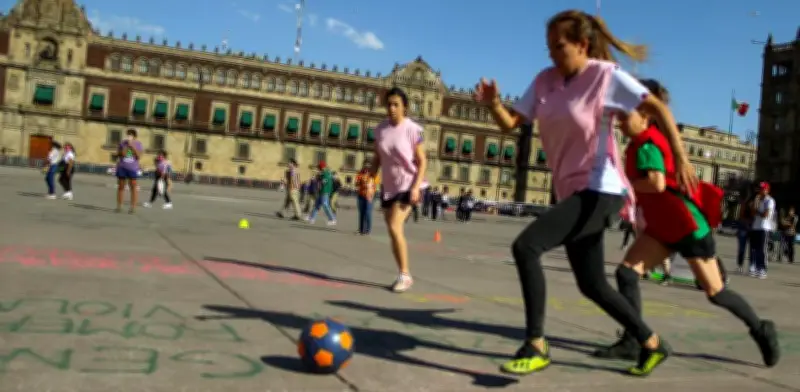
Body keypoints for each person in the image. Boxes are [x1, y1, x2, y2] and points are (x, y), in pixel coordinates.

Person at [473, 10, 698, 377]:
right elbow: (511, 124)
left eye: (559, 47)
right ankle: (651, 342)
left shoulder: (604, 76)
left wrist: (682, 157)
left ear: (583, 44)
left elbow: (656, 106)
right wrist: (494, 103)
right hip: (572, 192)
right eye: (548, 48)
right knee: (592, 284)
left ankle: (536, 343)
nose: (552, 55)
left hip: (601, 189)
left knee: (526, 246)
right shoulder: (545, 81)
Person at [592, 79, 780, 368]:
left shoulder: (648, 144)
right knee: (627, 274)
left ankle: (761, 328)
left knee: (716, 293)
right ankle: (634, 340)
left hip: (687, 227)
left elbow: (654, 184)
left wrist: (622, 183)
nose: (619, 120)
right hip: (662, 228)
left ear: (647, 113)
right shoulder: (639, 144)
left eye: (625, 113)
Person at [368, 87, 428, 293]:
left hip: (408, 183)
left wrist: (416, 187)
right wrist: (370, 180)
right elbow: (376, 158)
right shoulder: (380, 129)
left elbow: (422, 161)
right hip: (389, 185)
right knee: (393, 231)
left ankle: (405, 274)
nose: (392, 108)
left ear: (405, 108)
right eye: (389, 104)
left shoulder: (412, 129)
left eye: (396, 105)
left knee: (394, 226)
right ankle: (402, 272)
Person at [750, 182, 775, 278]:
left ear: (767, 190)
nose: (760, 190)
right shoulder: (758, 200)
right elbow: (752, 213)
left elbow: (766, 215)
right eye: (760, 189)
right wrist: (755, 203)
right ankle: (757, 267)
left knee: (762, 249)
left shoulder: (770, 201)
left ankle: (763, 269)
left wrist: (757, 211)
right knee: (755, 249)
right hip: (756, 227)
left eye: (762, 189)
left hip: (765, 227)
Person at [116, 129, 143, 213]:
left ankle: (133, 207)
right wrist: (127, 146)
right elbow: (121, 154)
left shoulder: (138, 144)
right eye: (128, 135)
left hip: (132, 168)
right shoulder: (122, 143)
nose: (129, 136)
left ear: (134, 136)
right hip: (122, 167)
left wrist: (132, 147)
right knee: (121, 187)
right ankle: (119, 206)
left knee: (133, 188)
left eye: (131, 135)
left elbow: (138, 156)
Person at [736, 194, 755, 273]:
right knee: (742, 249)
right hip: (744, 228)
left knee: (752, 250)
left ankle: (751, 266)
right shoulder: (744, 205)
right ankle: (740, 265)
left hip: (752, 229)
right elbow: (741, 216)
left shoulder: (756, 205)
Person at [355, 163, 376, 235]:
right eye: (365, 167)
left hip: (370, 196)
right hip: (361, 196)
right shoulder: (360, 175)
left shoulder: (373, 175)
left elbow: (376, 183)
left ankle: (368, 229)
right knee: (361, 213)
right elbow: (356, 184)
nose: (366, 169)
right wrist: (359, 182)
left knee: (367, 213)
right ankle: (361, 230)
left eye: (368, 168)